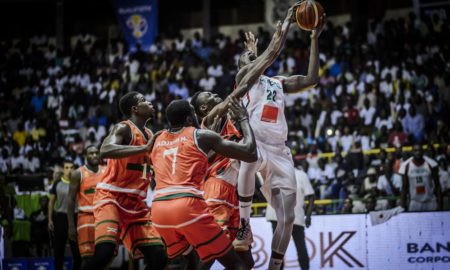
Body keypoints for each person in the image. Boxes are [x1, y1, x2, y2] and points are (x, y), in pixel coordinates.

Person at [189, 7, 296, 267]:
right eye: (209, 97)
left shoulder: (232, 107)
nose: (216, 96)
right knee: (207, 257)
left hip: (234, 191)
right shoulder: (213, 116)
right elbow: (253, 75)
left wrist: (251, 57)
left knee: (243, 263)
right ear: (203, 108)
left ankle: (245, 227)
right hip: (219, 185)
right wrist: (282, 30)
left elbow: (254, 88)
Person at [234, 7, 325, 270]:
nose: (252, 59)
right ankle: (244, 223)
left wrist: (314, 38)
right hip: (256, 143)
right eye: (248, 57)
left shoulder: (277, 82)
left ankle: (275, 266)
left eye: (254, 56)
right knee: (248, 156)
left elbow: (312, 79)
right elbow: (262, 59)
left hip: (279, 150)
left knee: (287, 218)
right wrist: (256, 51)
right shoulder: (244, 79)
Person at [150, 99, 256, 270]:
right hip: (190, 202)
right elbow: (250, 152)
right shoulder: (201, 134)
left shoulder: (157, 139)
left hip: (159, 207)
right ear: (190, 118)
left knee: (186, 263)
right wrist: (243, 119)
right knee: (237, 265)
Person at [81, 92, 166, 270]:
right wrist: (144, 148)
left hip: (135, 203)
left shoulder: (150, 133)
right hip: (111, 197)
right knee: (105, 253)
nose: (149, 102)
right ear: (135, 109)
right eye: (143, 100)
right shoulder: (123, 128)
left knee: (158, 255)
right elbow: (105, 149)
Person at [266, 165, 315, 270]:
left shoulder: (274, 171)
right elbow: (311, 196)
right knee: (298, 248)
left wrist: (309, 216)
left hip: (279, 215)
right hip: (290, 216)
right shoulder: (300, 174)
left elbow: (311, 196)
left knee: (278, 250)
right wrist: (308, 216)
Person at [67, 145, 106, 260]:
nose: (94, 155)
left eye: (96, 153)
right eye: (91, 153)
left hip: (102, 218)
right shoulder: (77, 173)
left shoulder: (106, 171)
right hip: (86, 218)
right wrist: (71, 226)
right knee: (88, 258)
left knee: (104, 256)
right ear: (85, 156)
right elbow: (70, 200)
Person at [48, 159, 82, 270]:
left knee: (76, 250)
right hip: (61, 217)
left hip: (75, 216)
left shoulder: (79, 182)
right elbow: (51, 202)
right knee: (59, 249)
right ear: (63, 169)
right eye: (67, 167)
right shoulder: (57, 183)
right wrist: (50, 219)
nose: (69, 170)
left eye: (71, 167)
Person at [400, 144, 442, 211]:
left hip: (430, 201)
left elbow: (437, 185)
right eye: (415, 150)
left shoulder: (431, 164)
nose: (418, 152)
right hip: (415, 202)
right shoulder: (406, 166)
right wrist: (402, 206)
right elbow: (404, 187)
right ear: (412, 152)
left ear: (423, 151)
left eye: (419, 150)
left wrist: (440, 204)